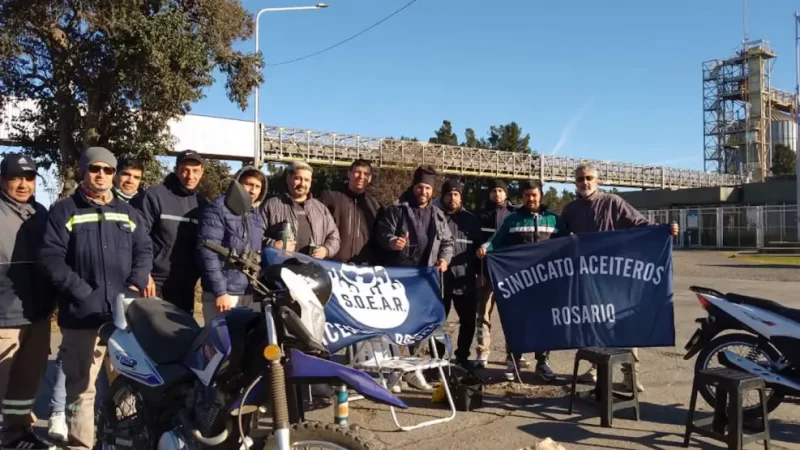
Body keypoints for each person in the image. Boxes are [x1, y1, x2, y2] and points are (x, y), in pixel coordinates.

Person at [38, 147, 152, 450]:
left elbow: (144, 252)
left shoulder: (128, 213)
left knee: (126, 387)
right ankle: (81, 444)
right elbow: (51, 258)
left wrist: (132, 289)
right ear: (83, 171)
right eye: (95, 169)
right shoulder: (64, 211)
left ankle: (120, 441)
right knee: (82, 390)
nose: (101, 175)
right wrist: (82, 292)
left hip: (123, 319)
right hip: (81, 317)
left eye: (107, 170)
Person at [560, 163, 679, 392]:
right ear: (574, 183)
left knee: (624, 323)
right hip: (586, 278)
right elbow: (560, 237)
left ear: (598, 180)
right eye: (580, 179)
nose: (584, 182)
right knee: (592, 323)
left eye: (589, 178)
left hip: (615, 276)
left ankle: (630, 374)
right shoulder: (570, 209)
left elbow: (641, 224)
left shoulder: (612, 202)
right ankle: (595, 368)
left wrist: (664, 230)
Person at [477, 180, 565, 383]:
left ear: (540, 195)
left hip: (546, 283)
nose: (530, 198)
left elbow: (567, 242)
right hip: (519, 282)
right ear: (522, 196)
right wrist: (485, 248)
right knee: (516, 322)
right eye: (527, 195)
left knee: (545, 323)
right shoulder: (512, 220)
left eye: (534, 195)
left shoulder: (554, 219)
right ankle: (513, 360)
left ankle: (542, 362)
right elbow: (495, 242)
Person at [376, 164, 454, 391]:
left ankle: (414, 370)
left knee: (419, 327)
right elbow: (382, 233)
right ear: (413, 187)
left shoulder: (438, 215)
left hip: (425, 281)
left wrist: (444, 260)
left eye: (428, 188)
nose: (424, 192)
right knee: (396, 326)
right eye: (420, 187)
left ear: (432, 191)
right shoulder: (397, 210)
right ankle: (395, 373)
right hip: (399, 279)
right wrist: (392, 242)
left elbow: (448, 243)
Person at [0, 154, 54, 449]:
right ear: (2, 179)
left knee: (26, 381)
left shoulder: (41, 213)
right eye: (15, 177)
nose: (23, 184)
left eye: (29, 178)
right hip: (4, 314)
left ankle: (16, 433)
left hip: (38, 313)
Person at [132, 149, 208, 313]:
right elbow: (137, 238)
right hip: (154, 283)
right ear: (176, 170)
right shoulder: (154, 196)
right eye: (185, 170)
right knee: (151, 336)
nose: (190, 176)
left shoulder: (203, 204)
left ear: (202, 172)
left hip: (185, 286)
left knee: (180, 336)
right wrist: (143, 273)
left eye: (195, 171)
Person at [198, 166, 268, 321]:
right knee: (221, 344)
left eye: (257, 187)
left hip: (249, 292)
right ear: (237, 183)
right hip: (225, 294)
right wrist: (220, 292)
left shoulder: (255, 215)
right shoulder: (217, 209)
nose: (253, 190)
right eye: (249, 184)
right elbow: (208, 252)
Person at [435, 179, 482, 369]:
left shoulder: (471, 221)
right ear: (443, 196)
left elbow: (479, 250)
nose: (452, 198)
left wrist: (481, 274)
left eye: (456, 194)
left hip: (466, 279)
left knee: (469, 321)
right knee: (438, 322)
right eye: (449, 194)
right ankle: (437, 359)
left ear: (461, 197)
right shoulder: (435, 217)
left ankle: (462, 357)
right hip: (439, 280)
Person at [475, 179, 519, 368]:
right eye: (493, 190)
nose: (497, 194)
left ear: (506, 193)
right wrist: (478, 269)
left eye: (501, 190)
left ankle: (514, 353)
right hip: (485, 271)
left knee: (511, 315)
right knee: (482, 314)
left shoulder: (515, 215)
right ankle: (482, 352)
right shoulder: (480, 214)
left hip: (508, 273)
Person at [260, 161, 340, 259]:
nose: (302, 183)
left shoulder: (321, 209)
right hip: (281, 267)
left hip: (312, 268)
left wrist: (326, 250)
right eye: (297, 178)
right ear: (288, 179)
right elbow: (254, 236)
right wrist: (273, 245)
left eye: (306, 180)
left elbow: (334, 237)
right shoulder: (271, 205)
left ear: (310, 183)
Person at [318, 159, 382, 264]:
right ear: (349, 174)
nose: (361, 176)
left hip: (362, 267)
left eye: (365, 174)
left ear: (369, 178)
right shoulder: (331, 198)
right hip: (332, 264)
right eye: (357, 172)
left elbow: (380, 239)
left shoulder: (375, 207)